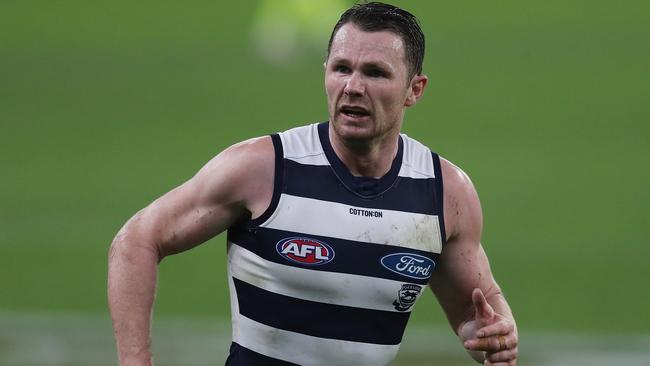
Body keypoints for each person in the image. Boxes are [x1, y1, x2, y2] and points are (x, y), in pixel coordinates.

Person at [108, 2, 518, 365]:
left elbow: (476, 310)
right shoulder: (264, 169)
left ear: (414, 90)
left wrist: (491, 336)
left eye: (375, 73)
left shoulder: (445, 193)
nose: (353, 87)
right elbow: (136, 241)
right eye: (342, 68)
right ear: (326, 73)